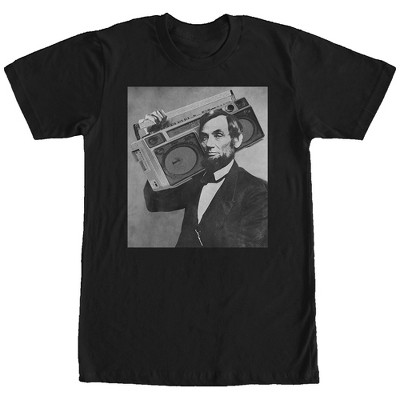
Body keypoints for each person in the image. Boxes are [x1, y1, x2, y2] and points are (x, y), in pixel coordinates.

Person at [142, 108, 268, 247]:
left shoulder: (258, 191)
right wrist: (155, 140)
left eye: (218, 135)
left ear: (237, 140)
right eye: (204, 137)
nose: (209, 144)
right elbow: (154, 203)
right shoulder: (195, 179)